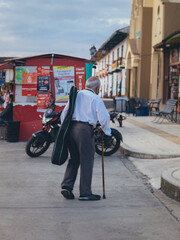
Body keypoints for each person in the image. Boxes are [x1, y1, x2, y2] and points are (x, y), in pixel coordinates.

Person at [60, 76, 111, 201]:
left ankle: (67, 186)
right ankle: (85, 192)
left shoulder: (76, 95)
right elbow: (104, 118)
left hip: (71, 129)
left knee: (74, 159)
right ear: (97, 88)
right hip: (84, 130)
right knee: (87, 160)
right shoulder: (95, 98)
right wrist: (105, 131)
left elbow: (64, 113)